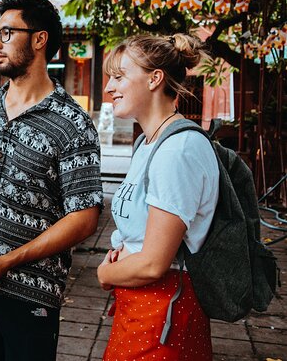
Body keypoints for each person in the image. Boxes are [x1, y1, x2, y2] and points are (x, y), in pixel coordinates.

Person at [0, 0, 104, 360]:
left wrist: (8, 262)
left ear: (39, 39)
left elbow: (84, 217)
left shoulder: (72, 122)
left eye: (7, 33)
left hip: (31, 293)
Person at [97, 34, 219, 360]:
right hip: (138, 307)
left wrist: (104, 273)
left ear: (155, 79)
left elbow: (153, 263)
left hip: (164, 313)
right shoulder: (148, 144)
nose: (109, 87)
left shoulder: (177, 150)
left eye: (119, 76)